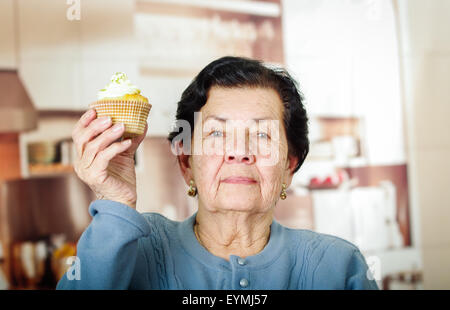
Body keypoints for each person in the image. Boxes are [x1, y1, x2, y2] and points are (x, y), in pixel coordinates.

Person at [57, 56, 379, 290]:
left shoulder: (337, 267)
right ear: (187, 164)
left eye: (263, 135)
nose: (239, 151)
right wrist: (115, 200)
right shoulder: (134, 251)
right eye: (217, 134)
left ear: (289, 166)